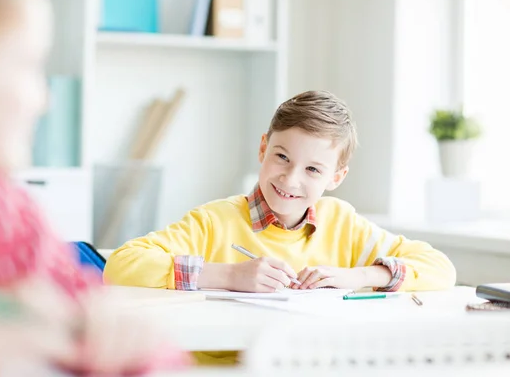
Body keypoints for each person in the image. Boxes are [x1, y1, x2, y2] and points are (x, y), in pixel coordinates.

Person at [0, 0, 187, 375]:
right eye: (29, 66)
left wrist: (119, 333)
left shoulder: (1, 212)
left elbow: (160, 355)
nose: (46, 99)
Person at [105, 90, 456, 294]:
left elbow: (441, 268)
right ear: (263, 150)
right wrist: (228, 275)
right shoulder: (215, 221)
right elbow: (121, 265)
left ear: (336, 177)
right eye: (282, 157)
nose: (290, 179)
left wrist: (360, 275)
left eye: (313, 170)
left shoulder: (344, 224)